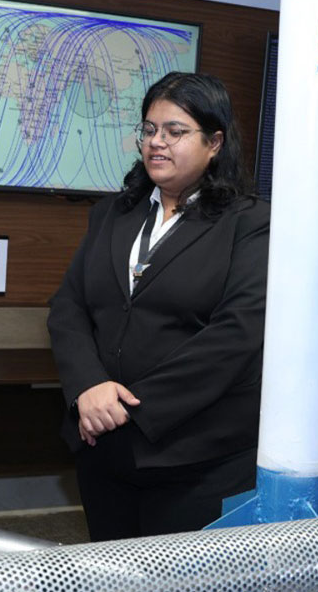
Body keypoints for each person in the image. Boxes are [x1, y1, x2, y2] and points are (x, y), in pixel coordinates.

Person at [46, 71, 270, 542]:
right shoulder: (113, 213)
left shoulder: (249, 223)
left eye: (175, 131)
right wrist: (88, 388)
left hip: (194, 456)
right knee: (111, 591)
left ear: (214, 143)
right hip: (103, 445)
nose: (156, 142)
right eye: (149, 130)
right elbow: (69, 306)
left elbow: (237, 335)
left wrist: (130, 408)